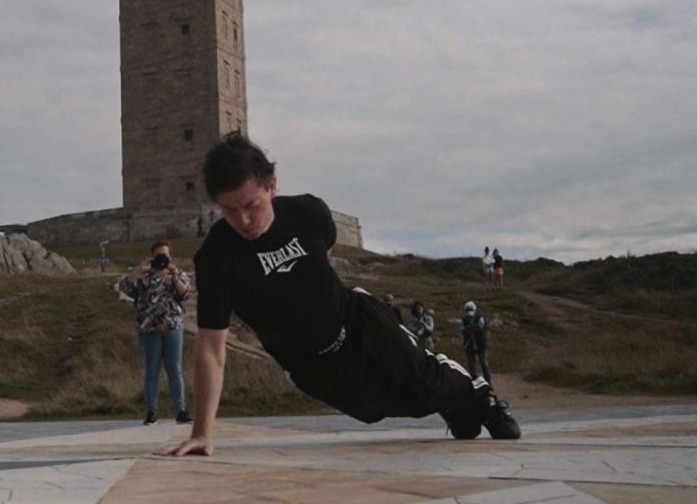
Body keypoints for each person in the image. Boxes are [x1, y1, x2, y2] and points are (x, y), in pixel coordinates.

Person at [159, 133, 518, 458]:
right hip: (309, 365)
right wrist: (202, 434)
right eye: (228, 210)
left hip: (358, 323)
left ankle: (480, 398)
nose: (243, 220)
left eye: (251, 205)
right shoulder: (216, 257)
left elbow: (323, 250)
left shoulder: (309, 212)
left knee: (422, 375)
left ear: (272, 186)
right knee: (375, 408)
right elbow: (211, 347)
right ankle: (453, 404)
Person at [117, 240, 192, 425]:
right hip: (149, 329)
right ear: (152, 257)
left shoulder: (178, 274)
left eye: (165, 256)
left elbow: (184, 294)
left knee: (175, 370)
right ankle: (151, 412)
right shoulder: (143, 278)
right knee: (151, 371)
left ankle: (181, 410)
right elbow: (124, 287)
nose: (162, 259)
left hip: (172, 327)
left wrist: (174, 275)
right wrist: (140, 269)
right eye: (158, 256)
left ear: (170, 257)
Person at [460, 301, 491, 383]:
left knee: (483, 363)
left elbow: (480, 327)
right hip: (469, 344)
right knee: (471, 365)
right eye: (467, 309)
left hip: (480, 343)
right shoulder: (464, 319)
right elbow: (462, 330)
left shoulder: (479, 317)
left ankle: (488, 382)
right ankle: (474, 382)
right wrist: (470, 329)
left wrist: (471, 328)